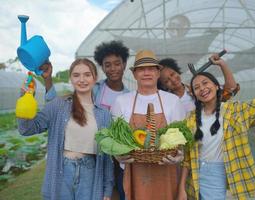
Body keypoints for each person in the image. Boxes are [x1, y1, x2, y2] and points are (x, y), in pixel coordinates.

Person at [177, 71, 255, 200]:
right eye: (196, 87)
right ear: (194, 95)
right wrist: (181, 190)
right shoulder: (190, 119)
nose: (202, 88)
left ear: (217, 86)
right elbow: (187, 159)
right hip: (194, 176)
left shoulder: (235, 111)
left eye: (205, 83)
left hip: (215, 171)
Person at [40, 40, 129, 200]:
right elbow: (60, 109)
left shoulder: (129, 96)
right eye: (107, 65)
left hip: (114, 154)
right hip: (92, 152)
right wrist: (48, 81)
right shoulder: (94, 87)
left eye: (117, 63)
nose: (113, 68)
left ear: (124, 64)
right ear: (101, 70)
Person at [17, 58, 114, 200]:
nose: (82, 79)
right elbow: (26, 129)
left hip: (90, 174)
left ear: (95, 78)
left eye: (87, 74)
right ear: (71, 79)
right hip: (61, 172)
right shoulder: (58, 105)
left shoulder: (104, 114)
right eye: (76, 75)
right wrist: (25, 98)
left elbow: (107, 156)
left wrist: (107, 189)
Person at [111, 50, 185, 200]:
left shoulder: (173, 101)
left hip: (166, 173)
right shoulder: (121, 101)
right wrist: (117, 155)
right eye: (141, 69)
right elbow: (115, 139)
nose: (146, 73)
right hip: (134, 172)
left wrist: (180, 156)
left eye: (151, 68)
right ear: (134, 74)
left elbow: (181, 139)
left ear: (158, 73)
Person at [158, 55, 239, 115]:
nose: (173, 80)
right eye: (166, 81)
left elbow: (230, 90)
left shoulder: (197, 90)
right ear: (164, 86)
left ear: (177, 71)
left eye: (172, 74)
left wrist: (222, 64)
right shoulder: (167, 101)